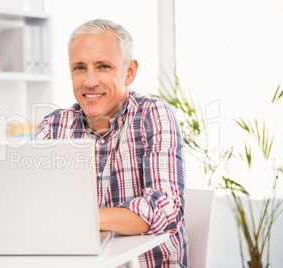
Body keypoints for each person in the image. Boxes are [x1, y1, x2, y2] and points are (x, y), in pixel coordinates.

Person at [33, 19, 189, 267]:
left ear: (129, 72)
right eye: (79, 68)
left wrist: (85, 217)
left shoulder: (153, 115)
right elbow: (29, 204)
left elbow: (166, 208)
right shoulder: (53, 126)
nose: (89, 81)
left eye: (103, 66)